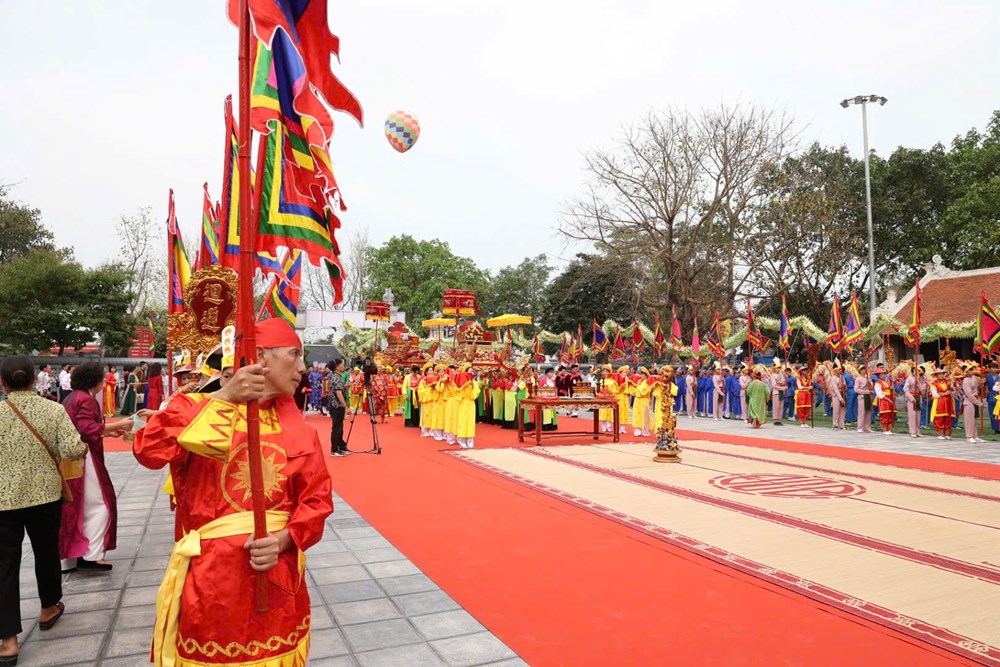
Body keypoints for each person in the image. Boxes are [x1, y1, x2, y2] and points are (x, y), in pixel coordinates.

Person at [134, 318, 333, 667]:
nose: (303, 367)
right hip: (211, 581)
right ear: (261, 357)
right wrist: (224, 397)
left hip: (276, 576)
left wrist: (285, 539)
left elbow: (316, 499)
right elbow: (148, 451)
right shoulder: (194, 408)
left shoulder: (300, 430)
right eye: (295, 355)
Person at [1, 355, 87, 664]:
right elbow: (75, 448)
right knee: (46, 552)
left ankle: (8, 640)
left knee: (4, 566)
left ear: (3, 382)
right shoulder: (53, 409)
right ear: (33, 379)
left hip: (3, 500)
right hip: (44, 497)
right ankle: (49, 606)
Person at [60, 363, 131, 573]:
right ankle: (91, 555)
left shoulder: (71, 398)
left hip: (71, 457)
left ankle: (71, 558)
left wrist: (107, 432)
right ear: (95, 381)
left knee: (76, 506)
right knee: (102, 504)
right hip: (86, 457)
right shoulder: (86, 400)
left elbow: (82, 428)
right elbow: (86, 429)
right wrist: (120, 425)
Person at [327, 359, 349, 456]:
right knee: (337, 428)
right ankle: (334, 449)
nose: (343, 366)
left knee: (339, 428)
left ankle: (340, 446)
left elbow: (338, 390)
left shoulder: (336, 377)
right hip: (337, 406)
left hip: (336, 406)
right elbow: (339, 394)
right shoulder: (336, 377)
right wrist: (346, 407)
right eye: (342, 365)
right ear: (337, 367)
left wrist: (344, 387)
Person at [929, 366, 956, 440]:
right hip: (939, 403)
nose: (941, 375)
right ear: (936, 375)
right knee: (939, 418)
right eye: (939, 374)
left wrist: (951, 386)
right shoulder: (934, 384)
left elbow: (953, 391)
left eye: (942, 374)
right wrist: (944, 394)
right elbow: (934, 395)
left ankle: (947, 434)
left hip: (948, 402)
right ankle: (939, 434)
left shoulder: (947, 381)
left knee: (948, 418)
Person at [960, 362, 985, 443]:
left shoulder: (974, 377)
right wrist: (979, 403)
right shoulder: (965, 380)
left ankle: (975, 435)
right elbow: (969, 394)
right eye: (970, 370)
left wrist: (981, 383)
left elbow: (976, 387)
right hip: (969, 401)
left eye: (972, 370)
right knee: (969, 419)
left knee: (975, 419)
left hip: (974, 400)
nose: (972, 371)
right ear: (966, 372)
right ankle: (969, 436)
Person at [903, 364, 924, 438]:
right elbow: (906, 389)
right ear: (912, 371)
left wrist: (919, 382)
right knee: (912, 415)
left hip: (918, 397)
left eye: (918, 371)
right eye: (915, 370)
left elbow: (923, 390)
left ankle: (918, 431)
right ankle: (912, 431)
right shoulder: (909, 378)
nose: (917, 372)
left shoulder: (921, 379)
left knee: (918, 415)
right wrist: (911, 398)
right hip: (911, 397)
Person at [631, 368, 653, 437]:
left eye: (643, 374)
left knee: (644, 416)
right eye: (641, 374)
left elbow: (642, 392)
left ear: (646, 375)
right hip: (637, 401)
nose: (641, 376)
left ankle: (645, 431)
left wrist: (637, 386)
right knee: (637, 415)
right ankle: (638, 430)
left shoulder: (647, 382)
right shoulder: (640, 382)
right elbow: (634, 392)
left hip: (644, 401)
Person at [873, 366, 896, 434]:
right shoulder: (878, 383)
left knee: (890, 414)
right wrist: (888, 400)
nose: (883, 375)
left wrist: (892, 389)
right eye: (881, 374)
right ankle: (885, 429)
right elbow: (879, 394)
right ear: (879, 376)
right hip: (884, 400)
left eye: (884, 374)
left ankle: (889, 428)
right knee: (885, 414)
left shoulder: (889, 381)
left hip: (890, 398)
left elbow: (892, 389)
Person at [828, 362, 846, 430]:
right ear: (835, 371)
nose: (840, 371)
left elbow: (844, 384)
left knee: (843, 410)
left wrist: (844, 385)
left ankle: (842, 424)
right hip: (836, 395)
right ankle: (835, 424)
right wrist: (841, 399)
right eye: (839, 369)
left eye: (840, 369)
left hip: (842, 393)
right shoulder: (833, 378)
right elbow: (835, 389)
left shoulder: (842, 377)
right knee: (836, 410)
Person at [855, 367, 873, 433]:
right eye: (863, 369)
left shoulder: (868, 378)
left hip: (868, 396)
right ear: (860, 370)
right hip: (862, 396)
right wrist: (865, 392)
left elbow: (871, 387)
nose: (865, 370)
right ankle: (860, 427)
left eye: (865, 369)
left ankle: (867, 427)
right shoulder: (858, 379)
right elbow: (856, 389)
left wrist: (869, 382)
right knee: (861, 412)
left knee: (868, 412)